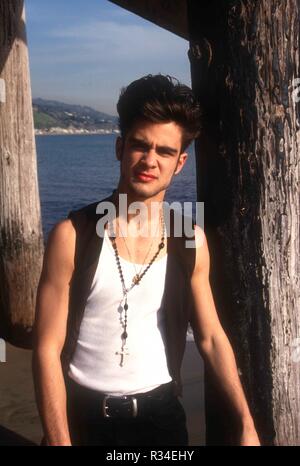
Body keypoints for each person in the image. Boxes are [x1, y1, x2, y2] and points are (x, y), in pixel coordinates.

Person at [32, 74, 260, 446]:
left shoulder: (189, 240)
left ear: (180, 162)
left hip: (161, 420)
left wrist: (245, 422)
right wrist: (58, 440)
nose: (150, 160)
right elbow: (46, 348)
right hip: (83, 416)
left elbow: (211, 337)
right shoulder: (72, 236)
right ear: (120, 148)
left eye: (165, 151)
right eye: (140, 145)